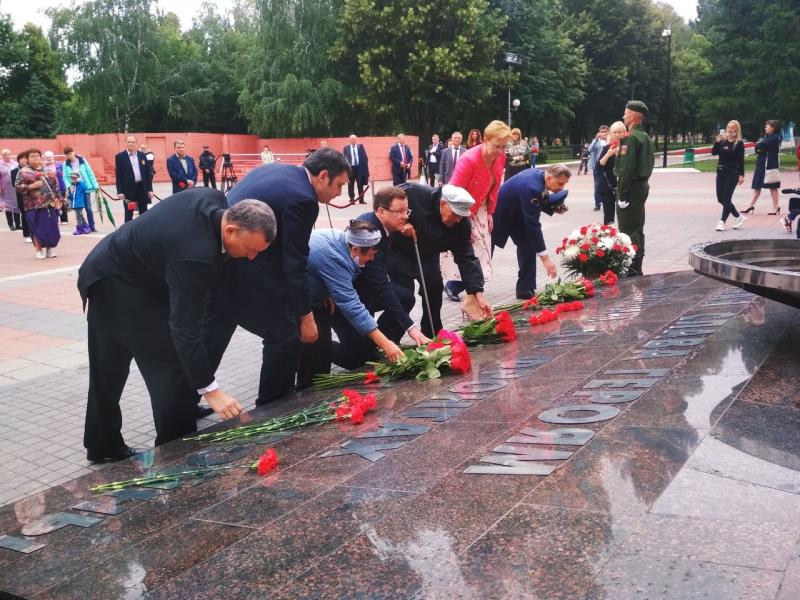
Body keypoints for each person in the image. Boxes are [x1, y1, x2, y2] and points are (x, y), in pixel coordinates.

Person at [78, 190, 276, 462]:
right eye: (252, 249)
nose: (253, 257)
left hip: (121, 269)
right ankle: (176, 457)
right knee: (169, 374)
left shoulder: (215, 201)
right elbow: (185, 329)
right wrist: (211, 390)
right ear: (230, 231)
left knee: (110, 370)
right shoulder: (195, 255)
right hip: (116, 284)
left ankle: (102, 445)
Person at [203, 148, 351, 405]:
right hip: (245, 262)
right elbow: (294, 262)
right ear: (323, 176)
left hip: (220, 257)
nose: (340, 193)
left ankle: (190, 394)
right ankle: (273, 404)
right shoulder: (304, 200)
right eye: (339, 185)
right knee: (284, 331)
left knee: (213, 334)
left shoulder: (281, 170)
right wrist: (306, 317)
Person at [296, 221, 405, 388]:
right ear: (355, 249)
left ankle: (314, 388)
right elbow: (352, 306)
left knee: (322, 351)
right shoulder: (335, 258)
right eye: (368, 254)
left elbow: (316, 269)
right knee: (310, 352)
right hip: (295, 300)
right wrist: (386, 343)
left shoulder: (344, 242)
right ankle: (300, 397)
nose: (371, 259)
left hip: (315, 297)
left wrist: (325, 291)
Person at [331, 187, 430, 369]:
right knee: (359, 360)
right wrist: (411, 327)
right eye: (399, 211)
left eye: (406, 211)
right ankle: (316, 347)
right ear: (382, 211)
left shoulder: (380, 225)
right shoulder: (369, 233)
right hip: (345, 301)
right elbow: (380, 283)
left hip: (366, 291)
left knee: (405, 297)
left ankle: (380, 343)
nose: (405, 216)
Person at [390, 182, 492, 338]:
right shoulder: (414, 194)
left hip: (428, 254)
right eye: (455, 214)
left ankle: (432, 334)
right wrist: (400, 224)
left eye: (461, 215)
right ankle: (392, 339)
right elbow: (385, 206)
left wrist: (478, 294)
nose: (458, 220)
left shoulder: (461, 224)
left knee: (434, 289)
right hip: (400, 250)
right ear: (443, 204)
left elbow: (466, 258)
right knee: (404, 296)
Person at [443, 120, 511, 303]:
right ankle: (455, 286)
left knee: (483, 251)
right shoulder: (469, 160)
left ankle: (472, 290)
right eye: (497, 146)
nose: (500, 151)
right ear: (486, 139)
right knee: (471, 249)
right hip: (462, 210)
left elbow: (496, 185)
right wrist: (465, 223)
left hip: (481, 208)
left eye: (504, 147)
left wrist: (490, 212)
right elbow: (454, 191)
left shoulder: (500, 157)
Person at [492, 165, 571, 299]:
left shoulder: (541, 177)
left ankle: (524, 288)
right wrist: (545, 259)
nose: (561, 188)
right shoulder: (532, 187)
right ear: (550, 177)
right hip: (499, 216)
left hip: (518, 216)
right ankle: (456, 285)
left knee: (528, 244)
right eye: (560, 183)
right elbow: (533, 224)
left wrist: (553, 208)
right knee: (484, 253)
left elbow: (541, 199)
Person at [614, 100, 654, 277]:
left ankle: (632, 266)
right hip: (641, 187)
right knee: (637, 227)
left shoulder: (631, 138)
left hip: (630, 188)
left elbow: (626, 170)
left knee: (628, 230)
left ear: (634, 115)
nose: (624, 116)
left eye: (626, 112)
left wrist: (622, 194)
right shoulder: (644, 137)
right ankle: (636, 265)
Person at [15, 148, 63, 260]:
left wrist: (59, 199)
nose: (35, 157)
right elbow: (17, 187)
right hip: (33, 206)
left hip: (49, 205)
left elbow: (55, 185)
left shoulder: (47, 170)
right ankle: (39, 251)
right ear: (27, 159)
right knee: (37, 229)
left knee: (51, 228)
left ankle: (50, 250)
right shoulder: (23, 172)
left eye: (37, 155)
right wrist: (32, 186)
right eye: (32, 156)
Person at [711, 120, 746, 231]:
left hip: (732, 173)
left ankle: (722, 222)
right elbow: (713, 152)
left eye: (732, 127)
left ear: (736, 130)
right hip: (721, 172)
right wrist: (717, 142)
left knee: (726, 198)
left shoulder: (739, 143)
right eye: (728, 127)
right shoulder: (722, 142)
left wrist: (741, 175)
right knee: (720, 198)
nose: (730, 129)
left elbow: (741, 161)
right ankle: (738, 216)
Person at [743, 119, 782, 215]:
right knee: (757, 185)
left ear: (773, 128)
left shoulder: (775, 138)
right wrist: (760, 148)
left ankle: (775, 207)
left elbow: (760, 145)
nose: (765, 128)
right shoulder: (768, 137)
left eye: (767, 127)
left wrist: (760, 148)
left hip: (769, 165)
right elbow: (757, 148)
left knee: (772, 186)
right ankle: (750, 205)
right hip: (761, 164)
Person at [115, 135, 154, 222]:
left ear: (136, 143)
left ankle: (143, 233)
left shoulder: (142, 156)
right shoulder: (120, 157)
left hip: (142, 189)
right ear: (126, 143)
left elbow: (148, 174)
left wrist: (150, 190)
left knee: (144, 214)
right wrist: (120, 191)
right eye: (129, 142)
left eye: (133, 142)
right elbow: (119, 175)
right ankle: (128, 234)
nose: (131, 144)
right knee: (129, 214)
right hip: (128, 190)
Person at [62, 146, 99, 232]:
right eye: (67, 155)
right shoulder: (65, 164)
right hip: (74, 189)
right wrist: (68, 186)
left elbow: (89, 172)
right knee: (77, 208)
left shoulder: (82, 160)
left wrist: (95, 184)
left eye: (70, 153)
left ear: (74, 152)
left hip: (84, 187)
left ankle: (92, 226)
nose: (69, 156)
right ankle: (82, 225)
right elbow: (65, 177)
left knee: (88, 208)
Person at [596, 122, 626, 225]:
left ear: (624, 133)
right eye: (615, 132)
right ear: (611, 134)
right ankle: (609, 238)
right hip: (607, 186)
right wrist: (608, 154)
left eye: (620, 132)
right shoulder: (607, 147)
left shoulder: (627, 148)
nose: (617, 135)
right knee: (609, 217)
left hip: (623, 186)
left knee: (624, 215)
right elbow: (599, 167)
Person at [11, 152, 32, 242]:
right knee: (24, 214)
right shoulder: (14, 171)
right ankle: (27, 235)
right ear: (19, 160)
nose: (25, 160)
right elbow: (14, 184)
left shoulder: (31, 169)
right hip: (21, 196)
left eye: (26, 158)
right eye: (23, 158)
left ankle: (34, 233)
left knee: (33, 214)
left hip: (33, 195)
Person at [588, 125, 609, 211]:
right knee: (597, 185)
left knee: (608, 184)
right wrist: (596, 139)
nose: (603, 133)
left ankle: (607, 202)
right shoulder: (596, 141)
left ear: (608, 132)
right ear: (599, 132)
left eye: (605, 131)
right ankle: (597, 203)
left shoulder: (610, 140)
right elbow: (590, 149)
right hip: (597, 166)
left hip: (608, 165)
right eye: (601, 131)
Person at [343, 134, 370, 204]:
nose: (353, 141)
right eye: (352, 139)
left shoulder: (360, 147)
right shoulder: (346, 148)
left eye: (354, 139)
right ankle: (352, 200)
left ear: (356, 140)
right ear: (349, 140)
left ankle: (361, 199)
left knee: (360, 184)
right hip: (351, 169)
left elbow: (365, 158)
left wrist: (364, 168)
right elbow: (344, 159)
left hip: (359, 169)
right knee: (350, 184)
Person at [43, 151, 68, 224]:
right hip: (49, 187)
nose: (48, 158)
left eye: (50, 156)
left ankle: (64, 219)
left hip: (60, 185)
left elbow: (64, 175)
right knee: (52, 203)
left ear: (53, 156)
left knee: (62, 201)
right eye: (47, 156)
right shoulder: (43, 166)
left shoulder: (59, 165)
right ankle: (54, 218)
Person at [1, 149, 22, 232]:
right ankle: (11, 225)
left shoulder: (15, 163)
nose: (7, 156)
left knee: (17, 205)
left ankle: (18, 224)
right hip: (5, 188)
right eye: (5, 154)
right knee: (8, 206)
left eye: (9, 154)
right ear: (2, 156)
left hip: (15, 187)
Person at [66, 171, 90, 235]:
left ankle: (80, 229)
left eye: (74, 178)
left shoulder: (80, 185)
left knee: (78, 216)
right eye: (72, 178)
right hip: (74, 204)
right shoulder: (72, 186)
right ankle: (86, 227)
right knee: (80, 216)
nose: (73, 180)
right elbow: (71, 196)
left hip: (79, 204)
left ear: (77, 178)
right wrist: (68, 195)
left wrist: (80, 181)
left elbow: (85, 188)